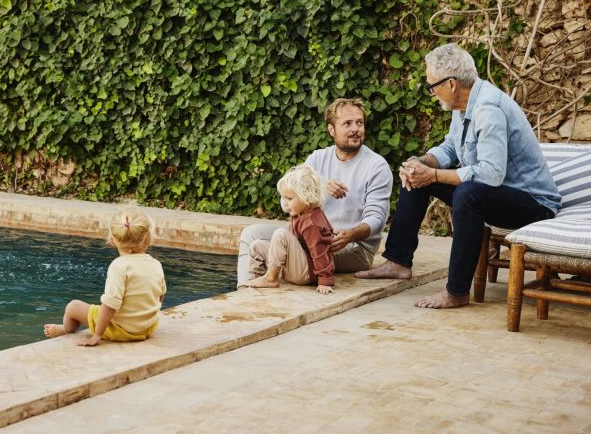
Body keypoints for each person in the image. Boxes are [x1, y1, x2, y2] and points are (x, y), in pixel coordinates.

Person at [355, 43, 561, 308]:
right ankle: (398, 261)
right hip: (496, 194)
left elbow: (490, 174)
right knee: (417, 177)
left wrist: (436, 176)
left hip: (533, 204)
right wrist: (422, 164)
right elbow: (451, 147)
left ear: (451, 84)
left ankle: (456, 291)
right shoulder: (462, 106)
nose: (431, 92)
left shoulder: (489, 109)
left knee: (468, 193)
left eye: (432, 86)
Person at [237, 98, 393, 288]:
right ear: (331, 130)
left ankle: (270, 279)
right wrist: (318, 187)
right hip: (309, 235)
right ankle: (245, 287)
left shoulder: (376, 166)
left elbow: (377, 219)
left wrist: (350, 235)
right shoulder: (317, 158)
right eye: (347, 124)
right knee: (251, 233)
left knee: (295, 247)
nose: (355, 129)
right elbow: (286, 202)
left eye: (359, 123)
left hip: (353, 248)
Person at [43, 208, 166, 345]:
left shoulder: (119, 266)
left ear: (113, 240)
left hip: (122, 330)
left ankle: (66, 329)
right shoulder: (156, 264)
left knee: (73, 307)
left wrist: (97, 335)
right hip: (148, 328)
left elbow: (110, 305)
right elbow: (160, 296)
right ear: (147, 238)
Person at [242, 164, 336, 294]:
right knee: (256, 246)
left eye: (289, 198)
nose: (284, 203)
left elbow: (320, 251)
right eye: (283, 198)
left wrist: (325, 280)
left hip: (306, 273)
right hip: (294, 267)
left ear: (307, 197)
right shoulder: (299, 213)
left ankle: (270, 278)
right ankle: (254, 281)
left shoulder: (312, 223)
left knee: (281, 234)